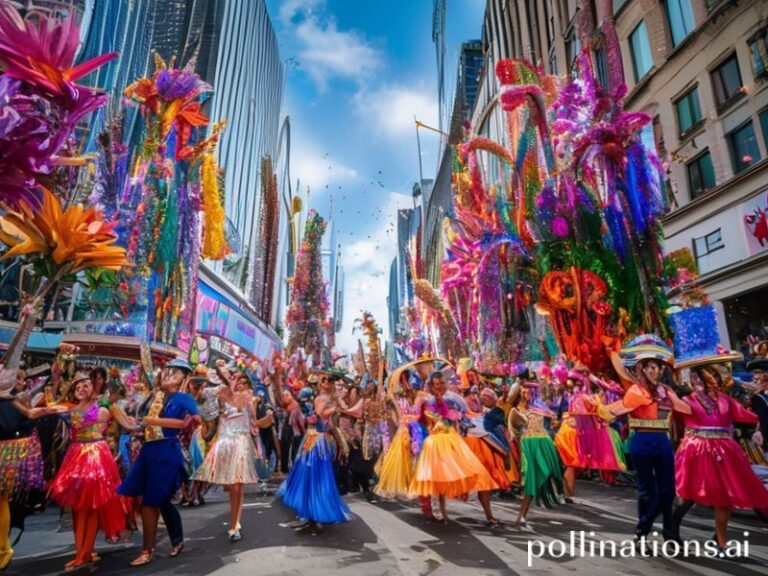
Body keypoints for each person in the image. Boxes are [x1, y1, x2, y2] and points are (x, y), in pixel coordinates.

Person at [670, 352, 768, 555]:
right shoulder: (688, 400)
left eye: (716, 375)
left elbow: (748, 417)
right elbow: (676, 418)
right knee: (689, 496)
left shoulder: (726, 400)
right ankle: (671, 531)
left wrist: (754, 400)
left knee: (725, 497)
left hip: (725, 451)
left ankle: (720, 541)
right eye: (709, 375)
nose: (714, 379)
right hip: (697, 451)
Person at [118, 359, 199, 566]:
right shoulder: (155, 397)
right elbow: (140, 421)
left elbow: (192, 420)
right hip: (147, 450)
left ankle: (147, 550)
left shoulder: (183, 398)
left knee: (151, 501)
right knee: (156, 498)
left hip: (165, 450)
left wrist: (154, 422)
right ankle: (177, 539)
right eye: (166, 371)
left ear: (184, 377)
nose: (168, 375)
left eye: (175, 372)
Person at [49, 374, 133, 570]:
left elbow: (128, 425)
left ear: (94, 388)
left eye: (86, 385)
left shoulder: (103, 408)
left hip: (96, 456)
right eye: (77, 385)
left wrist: (147, 424)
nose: (81, 388)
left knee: (92, 505)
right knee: (78, 507)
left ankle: (85, 552)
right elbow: (46, 407)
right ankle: (82, 551)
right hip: (75, 457)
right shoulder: (69, 408)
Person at [609, 335, 677, 544]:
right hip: (642, 442)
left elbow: (682, 410)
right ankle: (643, 532)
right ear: (641, 369)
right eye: (648, 367)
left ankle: (669, 532)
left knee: (669, 490)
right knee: (647, 490)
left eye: (656, 367)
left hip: (663, 443)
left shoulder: (666, 391)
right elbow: (622, 408)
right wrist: (603, 411)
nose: (653, 371)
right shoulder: (636, 390)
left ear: (661, 369)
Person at [408, 371, 498, 524]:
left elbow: (461, 420)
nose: (440, 387)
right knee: (439, 477)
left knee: (471, 470)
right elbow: (423, 422)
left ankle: (475, 509)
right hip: (435, 442)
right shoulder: (427, 401)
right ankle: (440, 511)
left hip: (452, 440)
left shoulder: (453, 399)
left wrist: (454, 418)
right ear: (432, 385)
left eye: (442, 383)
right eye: (437, 384)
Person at [194, 365, 270, 542]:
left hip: (241, 444)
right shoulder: (221, 395)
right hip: (224, 444)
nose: (241, 385)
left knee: (236, 485)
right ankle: (235, 521)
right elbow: (203, 408)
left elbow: (255, 424)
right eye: (238, 380)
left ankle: (235, 525)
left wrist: (266, 421)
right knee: (233, 487)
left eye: (245, 382)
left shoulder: (249, 400)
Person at [0, 366, 63, 570]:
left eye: (21, 377)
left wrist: (48, 407)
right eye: (14, 376)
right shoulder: (9, 398)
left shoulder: (15, 400)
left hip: (13, 457)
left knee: (5, 501)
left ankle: (3, 549)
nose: (19, 380)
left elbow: (33, 411)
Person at [278, 372, 351, 530]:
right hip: (314, 441)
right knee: (311, 477)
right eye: (323, 381)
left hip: (321, 441)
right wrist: (333, 408)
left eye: (329, 381)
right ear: (319, 384)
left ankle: (313, 514)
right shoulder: (321, 399)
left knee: (318, 478)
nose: (326, 384)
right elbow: (318, 414)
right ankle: (310, 514)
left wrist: (337, 402)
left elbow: (334, 420)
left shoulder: (329, 398)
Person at [507, 379, 564, 524]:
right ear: (519, 392)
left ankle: (524, 513)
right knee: (530, 479)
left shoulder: (540, 407)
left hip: (543, 442)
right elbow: (512, 431)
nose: (527, 393)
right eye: (524, 391)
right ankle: (522, 515)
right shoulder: (516, 410)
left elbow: (553, 414)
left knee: (548, 471)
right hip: (528, 444)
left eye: (530, 391)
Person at [463, 387, 511, 525]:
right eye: (482, 397)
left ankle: (489, 515)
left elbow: (499, 434)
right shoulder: (476, 412)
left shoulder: (496, 414)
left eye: (487, 397)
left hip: (486, 451)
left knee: (485, 484)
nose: (483, 399)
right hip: (475, 450)